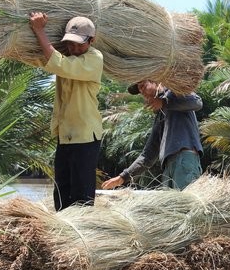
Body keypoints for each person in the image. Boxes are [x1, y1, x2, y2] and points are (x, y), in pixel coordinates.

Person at [29, 12, 103, 211]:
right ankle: (63, 233)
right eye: (71, 44)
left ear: (91, 41)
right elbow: (48, 60)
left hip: (85, 135)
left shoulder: (94, 58)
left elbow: (60, 65)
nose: (75, 48)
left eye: (80, 44)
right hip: (66, 135)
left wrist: (39, 30)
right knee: (61, 191)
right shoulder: (68, 57)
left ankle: (83, 236)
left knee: (82, 195)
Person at [102, 80, 203, 191]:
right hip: (168, 165)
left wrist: (164, 102)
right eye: (139, 90)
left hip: (184, 161)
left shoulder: (174, 91)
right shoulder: (161, 114)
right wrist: (123, 177)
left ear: (155, 80)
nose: (141, 91)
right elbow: (148, 155)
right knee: (173, 208)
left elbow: (197, 102)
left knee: (186, 207)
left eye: (143, 86)